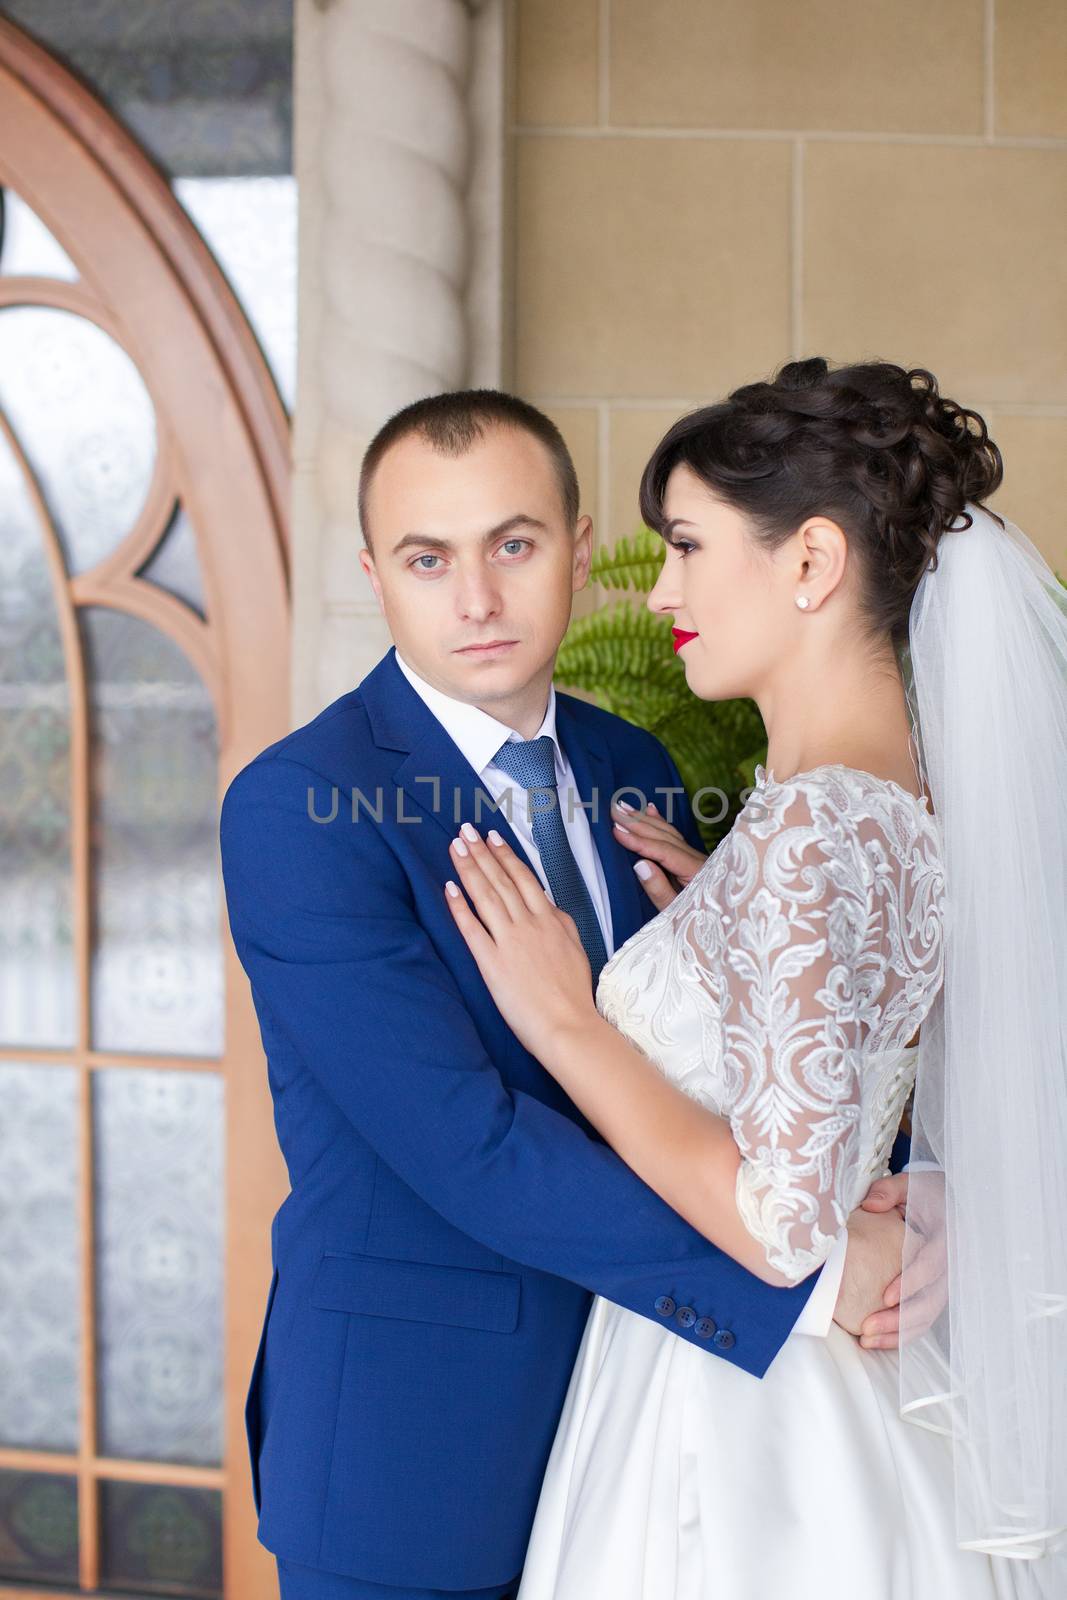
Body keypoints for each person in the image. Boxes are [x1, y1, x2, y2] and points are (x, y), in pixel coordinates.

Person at [219, 389, 909, 1600]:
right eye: (428, 560)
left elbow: (773, 1051)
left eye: (513, 544)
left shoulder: (630, 764)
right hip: (421, 1452)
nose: (475, 599)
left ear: (580, 551)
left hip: (644, 1442)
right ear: (374, 572)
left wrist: (909, 1197)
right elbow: (465, 1142)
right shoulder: (297, 809)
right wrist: (807, 1282)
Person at [443, 359, 1066, 1598]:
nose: (660, 585)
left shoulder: (807, 831)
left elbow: (785, 1225)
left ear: (809, 563)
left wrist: (573, 1026)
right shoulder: (892, 813)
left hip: (735, 1426)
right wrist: (715, 918)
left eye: (684, 543)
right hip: (847, 1402)